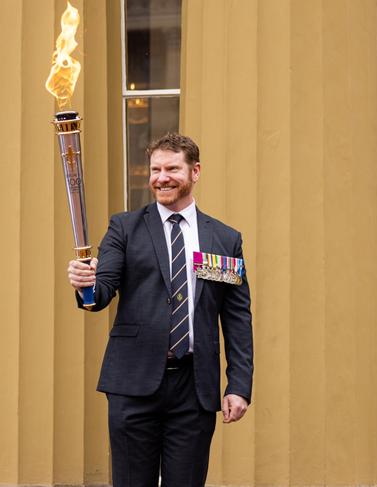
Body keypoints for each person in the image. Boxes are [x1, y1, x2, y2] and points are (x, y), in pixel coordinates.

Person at [68, 133, 253, 487]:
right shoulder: (124, 227)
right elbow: (100, 293)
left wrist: (239, 385)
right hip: (133, 384)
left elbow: (236, 317)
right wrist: (85, 282)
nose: (161, 177)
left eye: (172, 168)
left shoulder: (225, 239)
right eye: (155, 169)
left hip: (194, 388)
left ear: (195, 171)